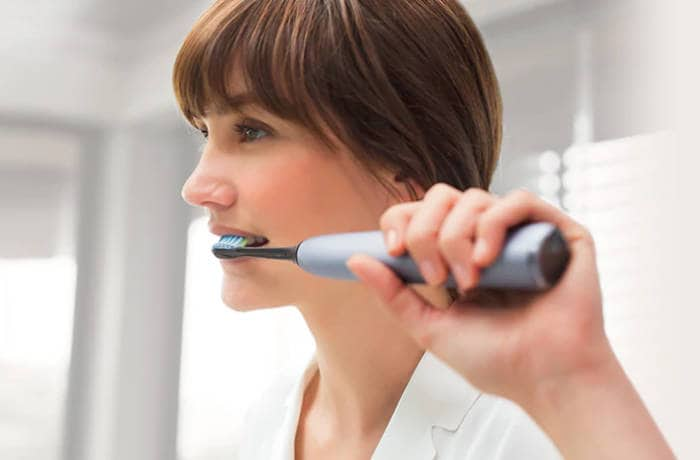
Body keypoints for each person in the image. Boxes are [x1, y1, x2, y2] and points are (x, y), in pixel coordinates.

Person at [173, 0, 675, 458]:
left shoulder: (540, 434)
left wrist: (578, 380)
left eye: (252, 131)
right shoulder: (269, 418)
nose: (197, 187)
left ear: (403, 167)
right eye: (204, 133)